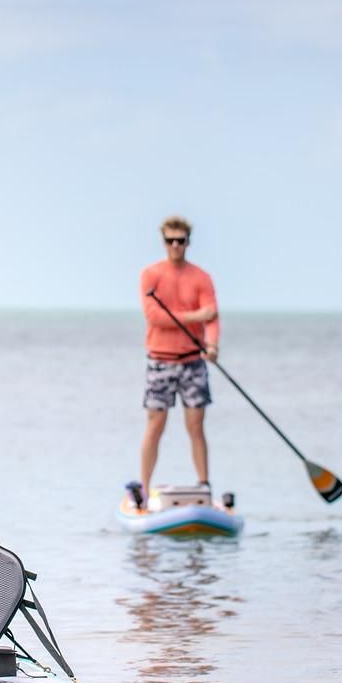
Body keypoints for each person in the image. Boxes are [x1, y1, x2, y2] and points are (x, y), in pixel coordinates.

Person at [129, 216, 219, 508]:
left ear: (188, 242)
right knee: (155, 425)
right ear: (164, 242)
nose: (176, 246)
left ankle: (204, 486)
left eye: (181, 241)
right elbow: (155, 317)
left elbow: (213, 315)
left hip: (193, 362)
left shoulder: (201, 277)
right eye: (170, 241)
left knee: (196, 425)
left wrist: (212, 344)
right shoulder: (150, 275)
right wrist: (196, 317)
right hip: (160, 362)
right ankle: (143, 489)